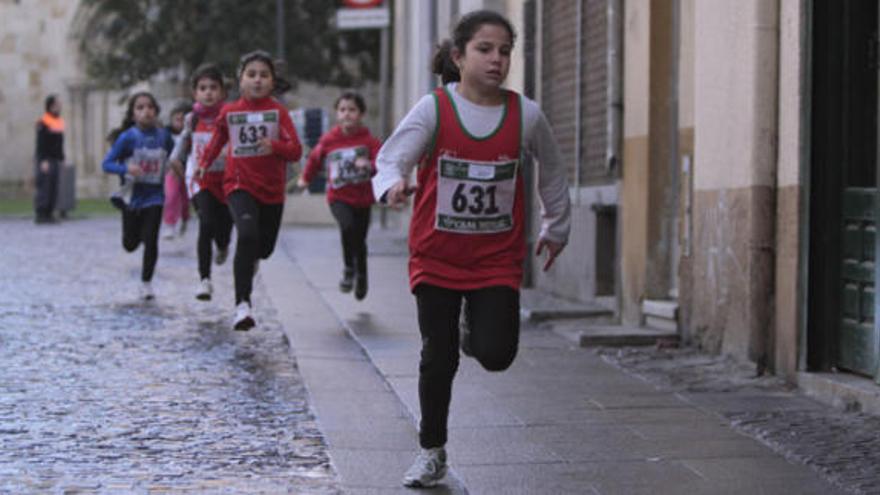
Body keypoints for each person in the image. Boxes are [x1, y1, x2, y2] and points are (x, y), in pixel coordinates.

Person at [371, 10, 571, 488]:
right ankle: (431, 450)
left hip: (496, 259)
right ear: (459, 57)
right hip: (436, 255)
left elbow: (554, 170)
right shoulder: (433, 109)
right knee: (437, 355)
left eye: (505, 51)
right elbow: (391, 158)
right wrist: (392, 184)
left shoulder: (526, 115)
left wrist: (557, 226)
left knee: (496, 352)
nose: (497, 59)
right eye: (485, 49)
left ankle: (471, 329)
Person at [199, 51, 302, 330]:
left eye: (264, 75)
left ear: (272, 81)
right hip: (238, 184)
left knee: (264, 249)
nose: (257, 80)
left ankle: (252, 260)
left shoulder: (278, 112)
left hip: (271, 190)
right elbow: (217, 141)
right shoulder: (230, 112)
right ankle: (242, 305)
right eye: (251, 74)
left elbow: (295, 151)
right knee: (246, 235)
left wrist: (275, 146)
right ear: (240, 79)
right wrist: (203, 165)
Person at [297, 92, 381, 301]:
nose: (347, 114)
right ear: (336, 114)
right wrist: (305, 179)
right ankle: (348, 269)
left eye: (352, 110)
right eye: (342, 110)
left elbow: (382, 163)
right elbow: (315, 159)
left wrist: (369, 165)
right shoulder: (329, 139)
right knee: (347, 227)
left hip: (362, 197)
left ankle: (362, 276)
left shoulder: (368, 141)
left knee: (360, 240)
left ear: (361, 114)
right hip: (338, 196)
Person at [169, 64, 234, 301]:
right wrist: (175, 160)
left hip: (227, 180)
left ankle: (224, 245)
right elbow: (182, 144)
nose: (208, 93)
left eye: (213, 88)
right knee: (206, 223)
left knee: (224, 228)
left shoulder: (230, 115)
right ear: (194, 93)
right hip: (200, 179)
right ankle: (204, 280)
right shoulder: (192, 119)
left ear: (223, 92)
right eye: (203, 88)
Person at [102, 92, 175, 301]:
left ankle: (146, 283)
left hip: (154, 196)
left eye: (150, 107)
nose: (146, 112)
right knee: (130, 244)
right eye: (140, 108)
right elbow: (106, 164)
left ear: (156, 111)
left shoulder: (163, 136)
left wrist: (181, 168)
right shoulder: (128, 137)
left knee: (151, 239)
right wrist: (126, 168)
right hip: (132, 198)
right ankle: (138, 234)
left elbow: (176, 156)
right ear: (133, 114)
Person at [161, 103, 191, 239]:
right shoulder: (166, 135)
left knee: (185, 200)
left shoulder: (191, 134)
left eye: (182, 120)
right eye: (176, 119)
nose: (179, 123)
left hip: (187, 170)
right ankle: (169, 224)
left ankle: (185, 218)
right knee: (171, 195)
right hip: (171, 170)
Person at [34, 94, 65, 224]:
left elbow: (59, 143)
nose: (60, 106)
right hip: (46, 160)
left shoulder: (59, 121)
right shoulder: (44, 121)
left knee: (53, 187)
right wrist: (43, 160)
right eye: (57, 104)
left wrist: (62, 158)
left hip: (55, 159)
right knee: (44, 187)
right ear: (51, 105)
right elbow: (41, 143)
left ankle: (50, 212)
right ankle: (41, 213)